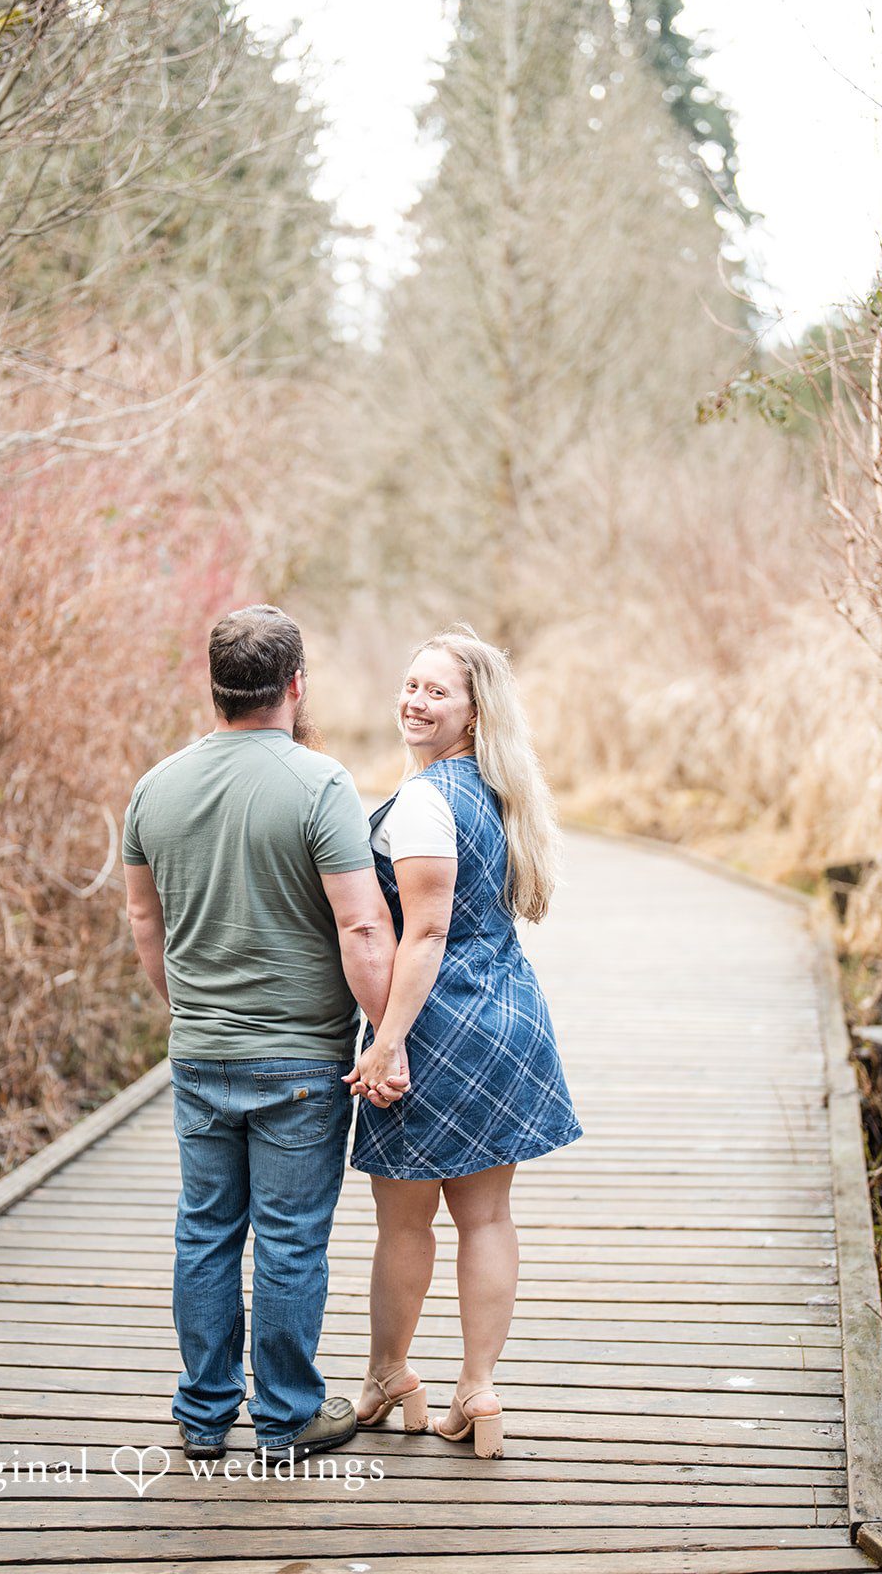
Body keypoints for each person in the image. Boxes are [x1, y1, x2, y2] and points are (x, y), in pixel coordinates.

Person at [122, 605, 396, 1466]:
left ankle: (203, 1417)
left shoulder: (153, 787)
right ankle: (284, 1419)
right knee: (287, 1238)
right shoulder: (319, 785)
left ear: (213, 688)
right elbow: (361, 929)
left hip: (200, 1054)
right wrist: (387, 1035)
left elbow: (142, 918)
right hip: (302, 1061)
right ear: (296, 686)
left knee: (204, 1230)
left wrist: (187, 1008)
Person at [343, 623, 583, 1459]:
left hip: (437, 1026)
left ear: (474, 712)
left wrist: (385, 1042)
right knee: (486, 1218)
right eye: (411, 685)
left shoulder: (422, 801)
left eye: (436, 691)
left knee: (405, 1224)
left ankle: (386, 1376)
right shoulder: (498, 793)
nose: (414, 701)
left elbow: (426, 931)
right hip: (509, 1017)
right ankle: (475, 1390)